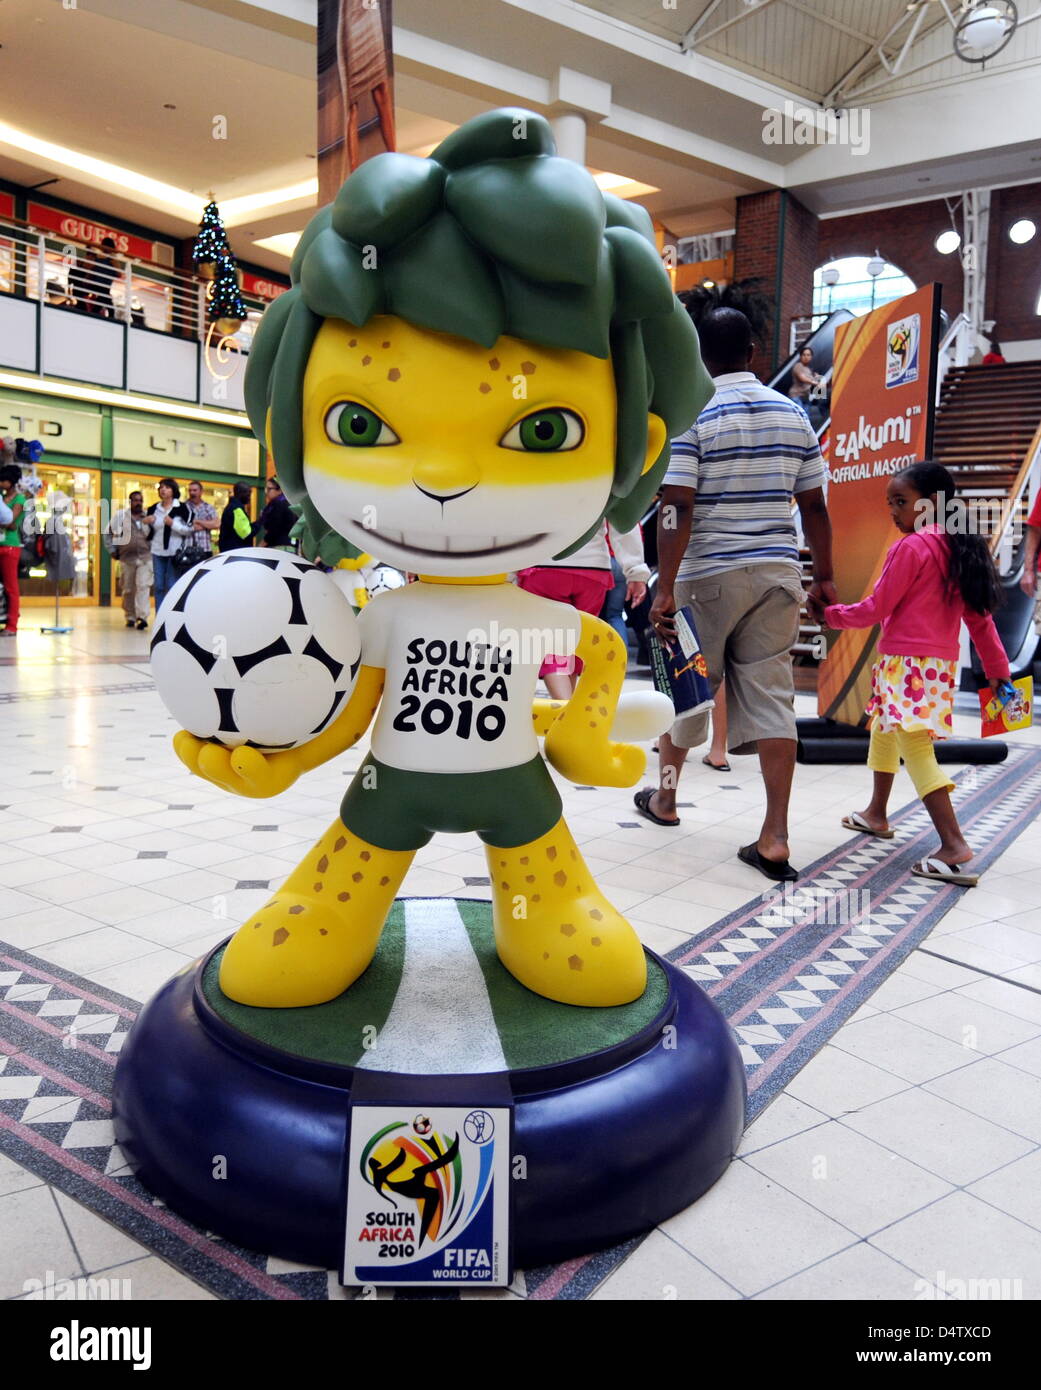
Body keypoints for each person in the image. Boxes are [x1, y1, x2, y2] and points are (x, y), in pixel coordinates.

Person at [637, 307, 836, 884]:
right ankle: (775, 836)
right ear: (752, 350)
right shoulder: (794, 413)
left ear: (701, 354)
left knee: (687, 688)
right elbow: (815, 506)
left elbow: (677, 503)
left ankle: (666, 801)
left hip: (710, 573)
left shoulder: (693, 412)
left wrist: (665, 587)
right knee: (774, 699)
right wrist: (824, 577)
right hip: (777, 575)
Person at [813, 461, 1011, 887]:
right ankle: (876, 813)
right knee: (884, 731)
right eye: (891, 503)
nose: (893, 510)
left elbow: (876, 608)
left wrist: (829, 616)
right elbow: (981, 621)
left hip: (906, 665)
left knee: (915, 748)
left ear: (932, 504)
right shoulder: (959, 547)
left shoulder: (912, 548)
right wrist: (998, 672)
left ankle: (953, 843)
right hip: (934, 668)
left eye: (900, 502)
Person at [516, 520, 648, 699]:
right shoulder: (605, 489)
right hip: (593, 568)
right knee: (575, 644)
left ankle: (564, 709)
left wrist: (507, 571)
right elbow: (624, 520)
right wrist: (636, 571)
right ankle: (567, 712)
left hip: (544, 565)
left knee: (551, 646)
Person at [144, 477, 193, 614]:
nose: (163, 490)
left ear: (173, 490)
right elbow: (147, 534)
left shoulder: (182, 508)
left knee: (171, 585)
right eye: (161, 487)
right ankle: (160, 616)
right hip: (157, 551)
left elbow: (189, 530)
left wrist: (173, 524)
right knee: (159, 586)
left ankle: (170, 616)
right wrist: (146, 523)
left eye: (167, 487)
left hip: (174, 552)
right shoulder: (154, 508)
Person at [105, 490, 152, 629]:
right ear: (130, 502)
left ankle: (142, 617)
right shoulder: (120, 516)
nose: (138, 503)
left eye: (140, 501)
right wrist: (112, 550)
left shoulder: (148, 517)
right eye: (135, 500)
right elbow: (107, 534)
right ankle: (130, 616)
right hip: (127, 558)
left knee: (143, 586)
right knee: (128, 589)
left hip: (145, 558)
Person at [0, 463, 25, 636]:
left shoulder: (20, 499)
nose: (1, 483)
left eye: (4, 480)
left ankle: (12, 625)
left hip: (10, 546)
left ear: (12, 482)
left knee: (11, 587)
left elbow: (10, 523)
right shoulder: (1, 497)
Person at [258, 476, 295, 549]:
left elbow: (273, 529)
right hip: (285, 546)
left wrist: (261, 545)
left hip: (279, 547)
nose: (266, 492)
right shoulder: (285, 503)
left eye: (269, 489)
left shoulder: (279, 504)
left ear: (279, 490)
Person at [186, 480, 220, 558]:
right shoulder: (184, 507)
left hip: (205, 548)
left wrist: (197, 521)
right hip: (188, 548)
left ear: (201, 492)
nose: (192, 493)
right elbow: (182, 525)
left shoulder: (208, 507)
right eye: (190, 490)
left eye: (195, 490)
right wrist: (208, 524)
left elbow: (217, 524)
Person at [218, 482, 256, 552]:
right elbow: (246, 533)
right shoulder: (236, 509)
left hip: (230, 550)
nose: (249, 497)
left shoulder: (233, 506)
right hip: (235, 551)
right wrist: (260, 522)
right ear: (240, 493)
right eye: (248, 494)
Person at [788, 344, 820, 417]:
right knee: (800, 418)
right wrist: (814, 382)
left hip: (805, 398)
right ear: (800, 356)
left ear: (811, 357)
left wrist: (816, 378)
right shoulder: (798, 366)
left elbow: (816, 383)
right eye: (804, 355)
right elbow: (802, 378)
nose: (806, 357)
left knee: (806, 419)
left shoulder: (809, 370)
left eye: (808, 355)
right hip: (796, 396)